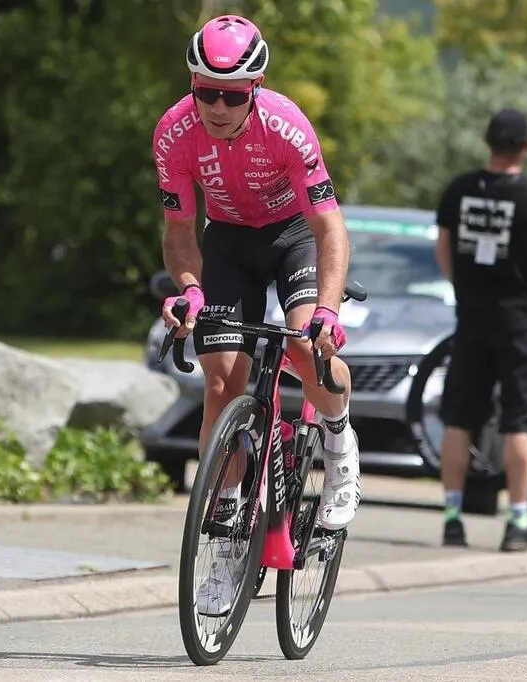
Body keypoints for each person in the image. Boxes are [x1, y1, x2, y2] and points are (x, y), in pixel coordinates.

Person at [152, 15, 361, 615]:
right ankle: (224, 533)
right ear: (192, 83)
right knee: (220, 381)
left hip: (292, 235)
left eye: (232, 94)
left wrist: (326, 308)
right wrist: (189, 290)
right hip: (229, 244)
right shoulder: (173, 133)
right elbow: (179, 231)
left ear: (256, 87)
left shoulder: (288, 127)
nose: (216, 106)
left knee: (303, 346)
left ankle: (340, 442)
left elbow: (329, 227)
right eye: (205, 91)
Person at [433, 109, 527, 553]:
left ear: (487, 142)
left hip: (472, 317)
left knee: (459, 419)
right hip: (522, 321)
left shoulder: (459, 190)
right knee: (520, 421)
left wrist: (463, 287)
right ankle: (518, 522)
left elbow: (443, 249)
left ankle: (452, 518)